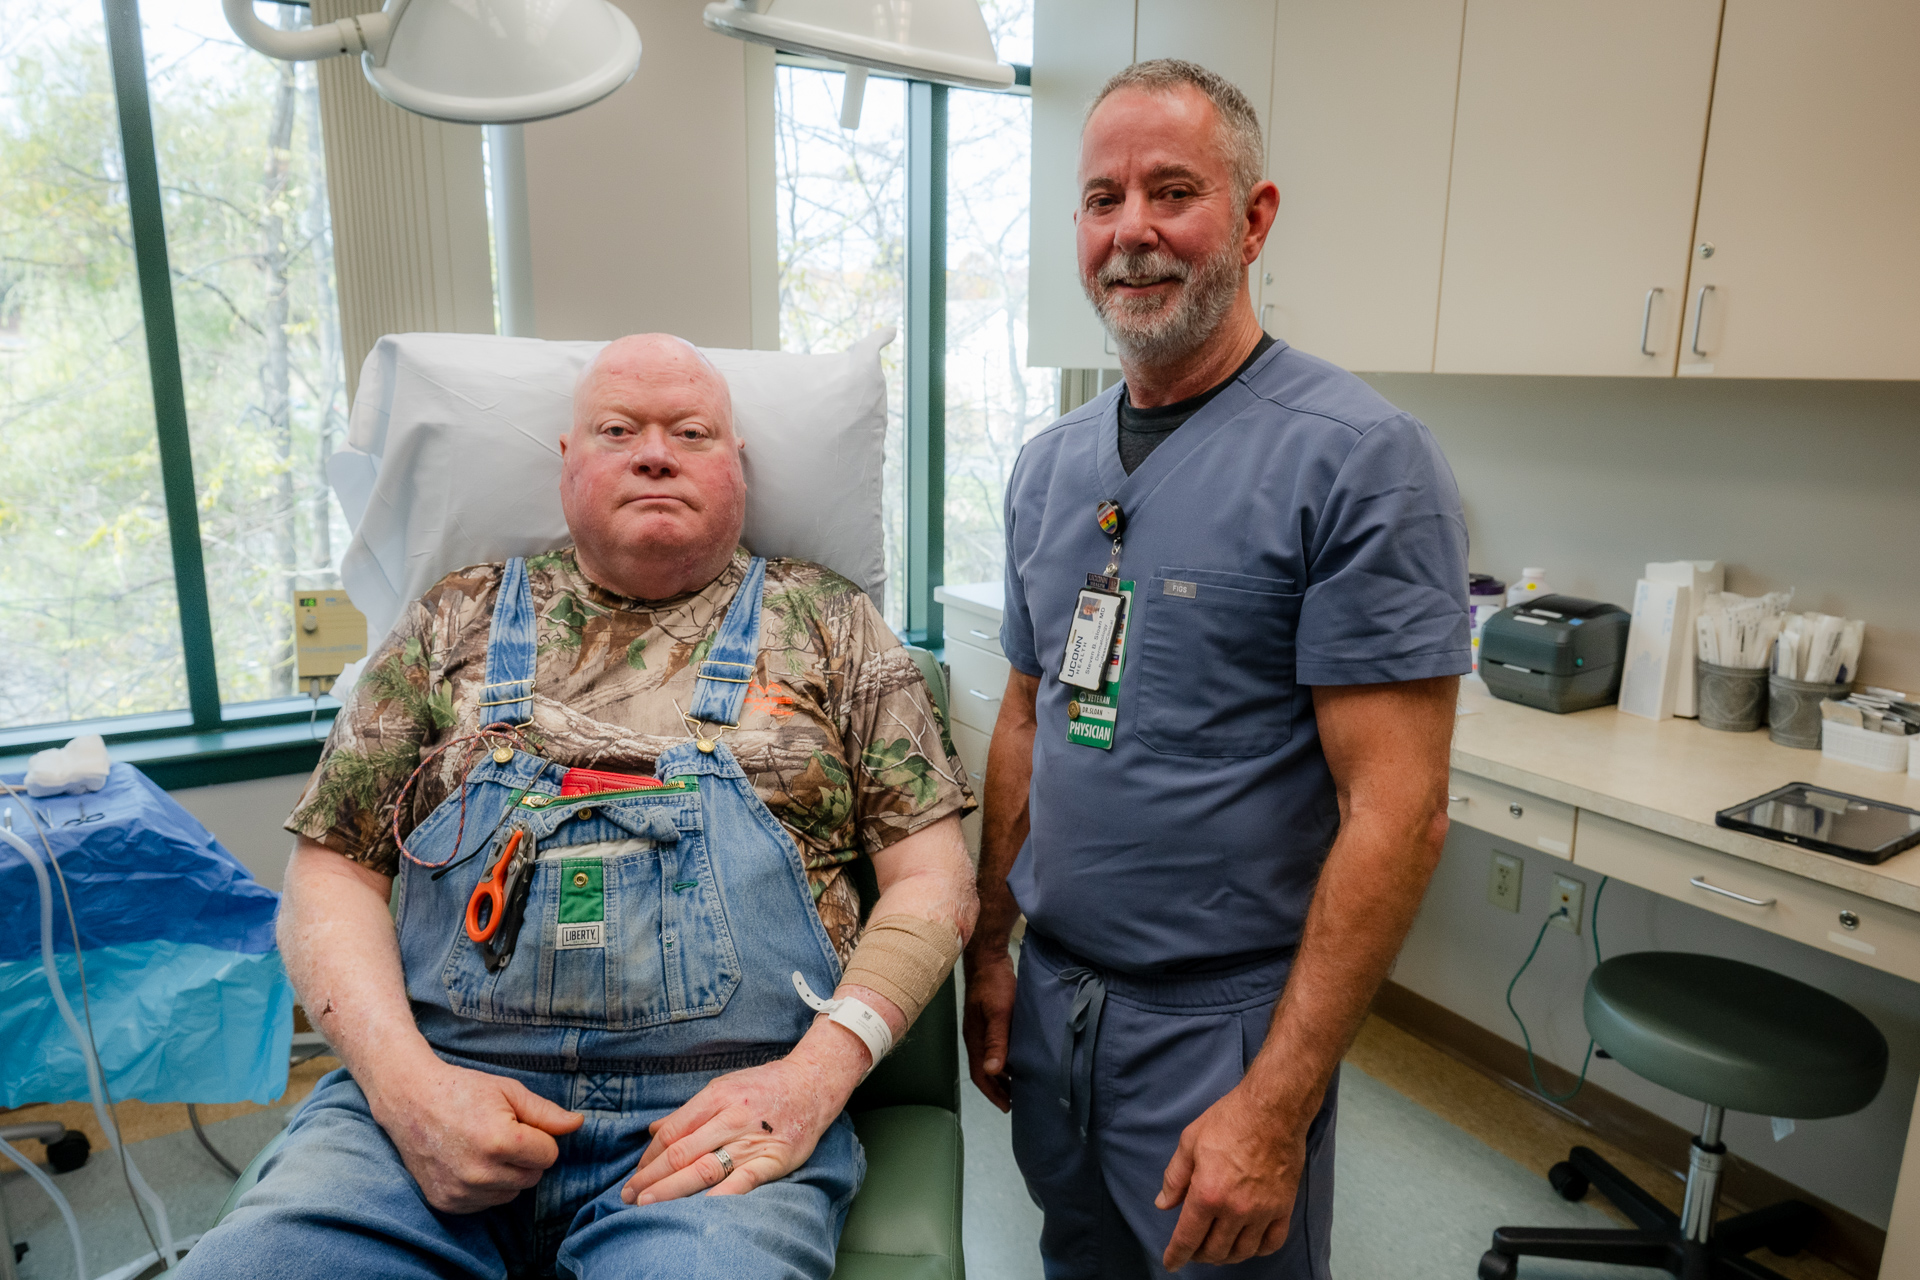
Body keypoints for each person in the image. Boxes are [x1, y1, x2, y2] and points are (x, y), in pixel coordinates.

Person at [184, 334, 977, 1279]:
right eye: (617, 429)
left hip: (713, 1131)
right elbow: (328, 874)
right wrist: (406, 1091)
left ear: (740, 468)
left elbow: (934, 885)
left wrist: (813, 1080)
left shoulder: (832, 624)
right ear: (567, 463)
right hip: (434, 1102)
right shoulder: (450, 620)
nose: (654, 452)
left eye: (691, 431)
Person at [962, 60, 1470, 1278]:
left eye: (1172, 191)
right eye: (1101, 198)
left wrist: (1277, 1101)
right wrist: (992, 946)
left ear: (1252, 218)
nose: (1131, 230)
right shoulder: (1049, 466)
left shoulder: (1359, 463)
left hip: (1220, 1030)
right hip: (1056, 997)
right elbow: (1030, 712)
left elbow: (1398, 813)